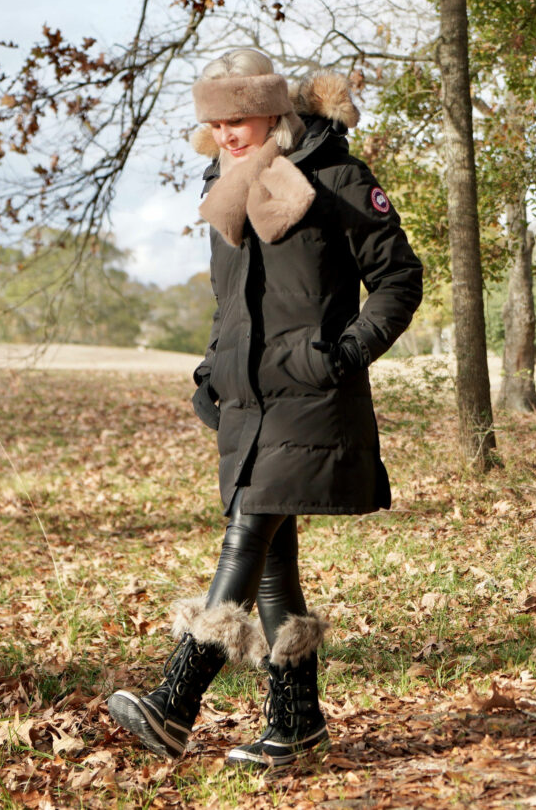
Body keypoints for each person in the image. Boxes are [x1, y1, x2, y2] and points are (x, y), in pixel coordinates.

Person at [107, 49, 422, 769]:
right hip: (245, 399)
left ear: (273, 111)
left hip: (310, 393)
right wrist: (208, 370)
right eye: (214, 121)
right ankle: (297, 726)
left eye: (239, 119)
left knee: (247, 536)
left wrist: (341, 355)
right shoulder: (223, 187)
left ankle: (174, 702)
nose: (226, 134)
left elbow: (400, 278)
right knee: (276, 567)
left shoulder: (336, 176)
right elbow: (234, 302)